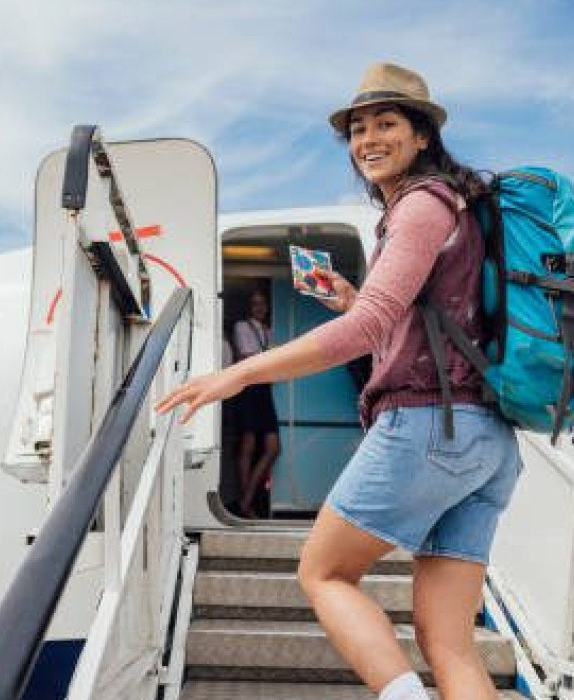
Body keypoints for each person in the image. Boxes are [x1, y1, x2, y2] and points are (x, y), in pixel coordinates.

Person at [157, 62, 522, 700]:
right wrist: (357, 300)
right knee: (450, 644)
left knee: (323, 573)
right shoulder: (460, 210)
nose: (368, 139)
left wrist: (238, 373)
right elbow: (403, 318)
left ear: (422, 138)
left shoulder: (421, 206)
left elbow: (367, 332)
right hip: (487, 441)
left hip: (427, 427)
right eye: (358, 129)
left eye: (387, 124)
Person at [229, 287, 280, 519]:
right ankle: (247, 505)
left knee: (273, 448)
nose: (260, 307)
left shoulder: (269, 330)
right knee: (248, 445)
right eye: (255, 303)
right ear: (249, 307)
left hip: (265, 389)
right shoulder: (242, 326)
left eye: (263, 303)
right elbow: (246, 356)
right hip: (249, 389)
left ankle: (245, 501)